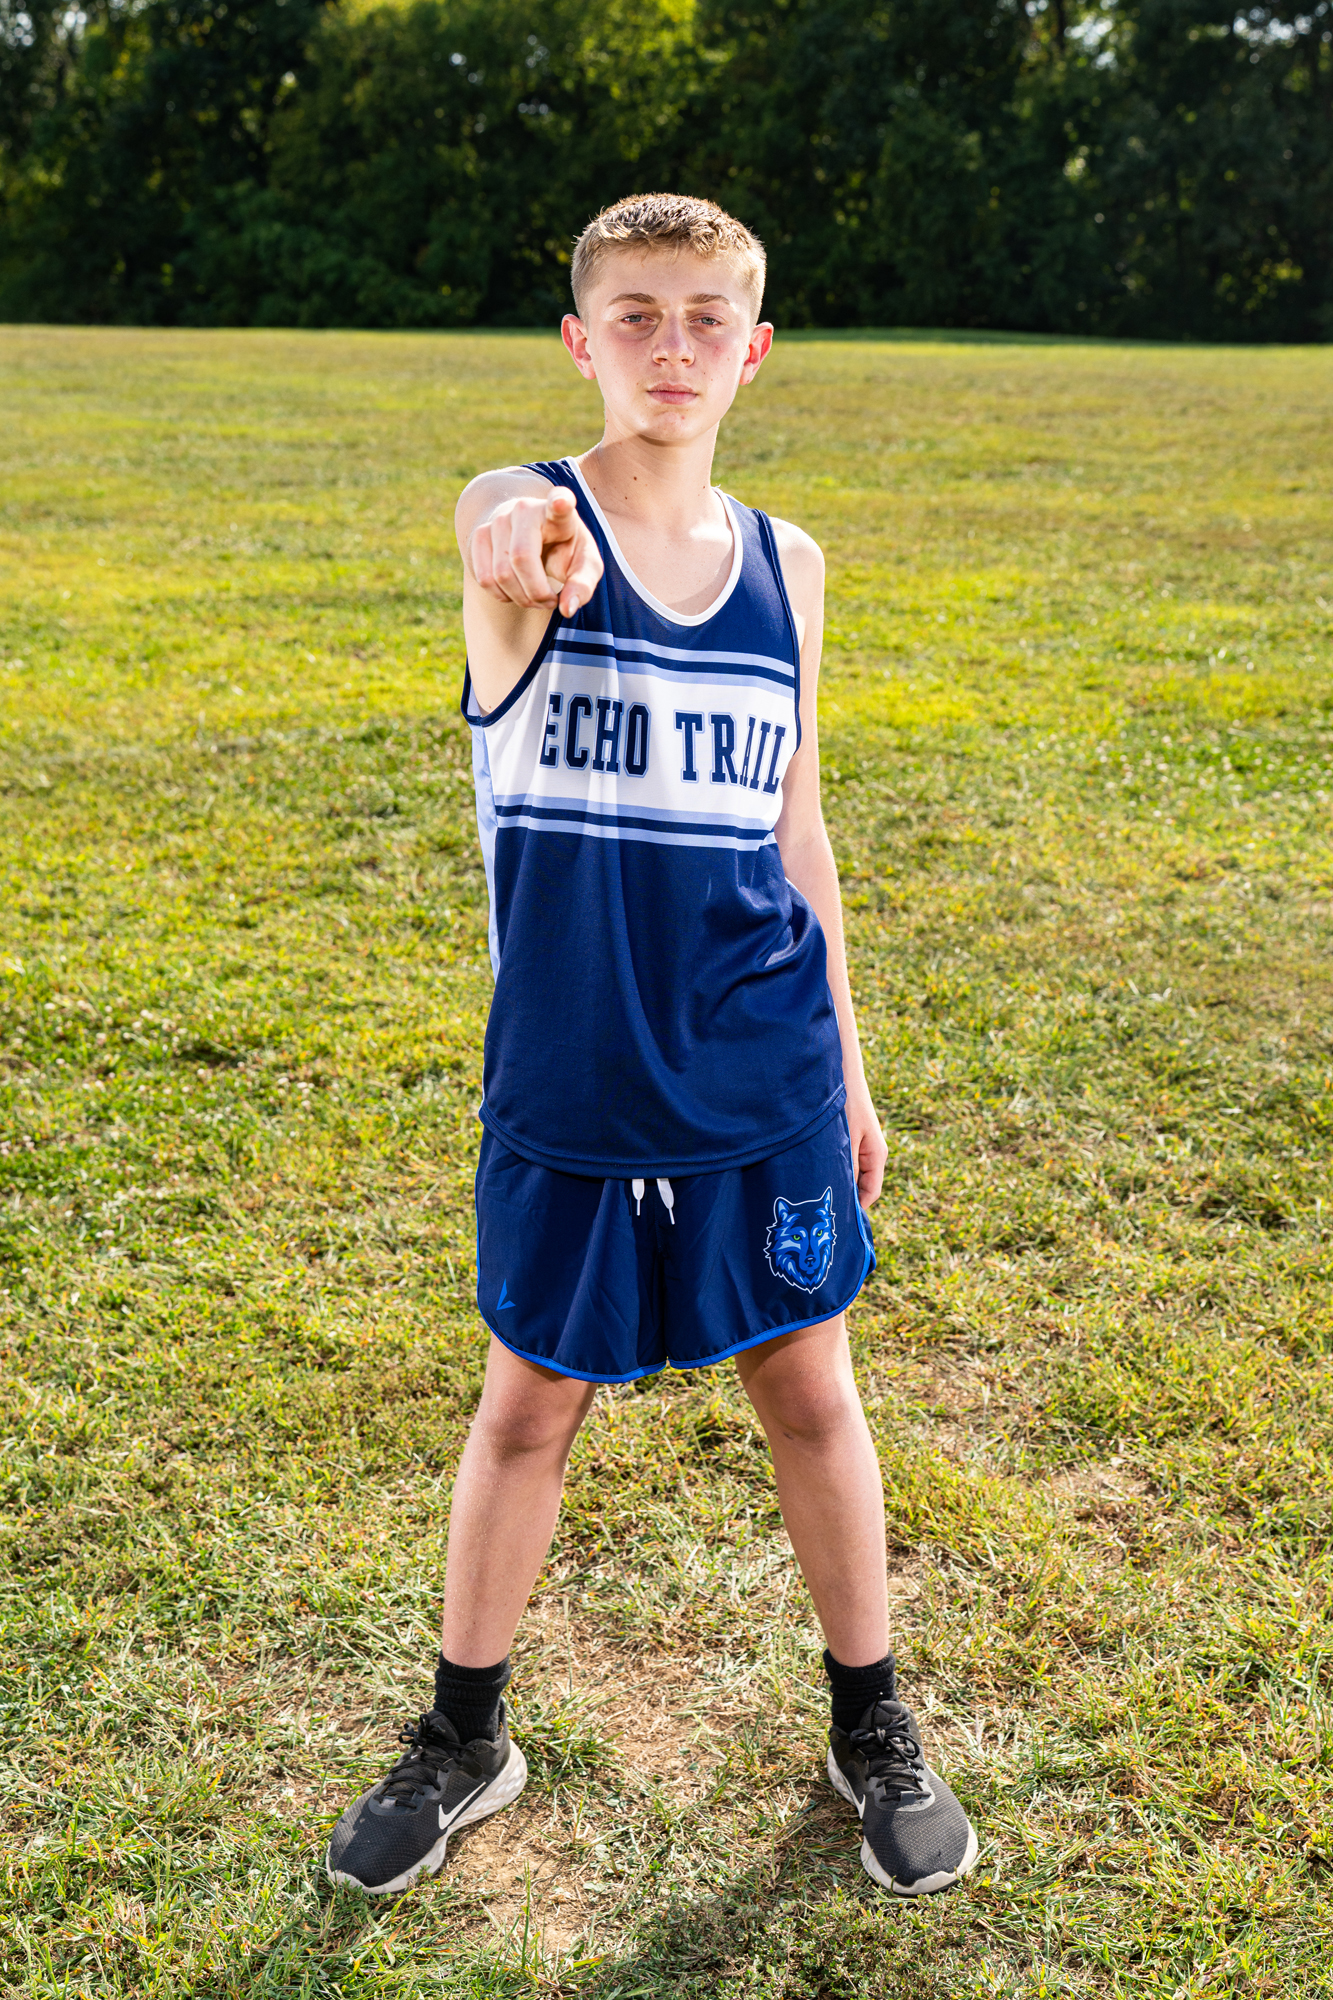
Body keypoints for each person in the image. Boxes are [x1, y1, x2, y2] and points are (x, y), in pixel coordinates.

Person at [325, 193, 979, 1902]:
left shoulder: (790, 566)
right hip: (575, 1072)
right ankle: (464, 1736)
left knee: (809, 1393)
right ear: (579, 341)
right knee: (527, 1405)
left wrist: (847, 1071)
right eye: (634, 315)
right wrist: (508, 535)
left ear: (753, 352)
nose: (670, 347)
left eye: (704, 319)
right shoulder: (528, 523)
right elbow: (499, 529)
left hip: (760, 1062)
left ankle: (871, 1722)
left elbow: (798, 829)